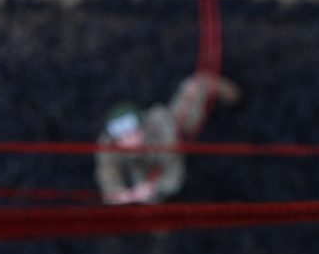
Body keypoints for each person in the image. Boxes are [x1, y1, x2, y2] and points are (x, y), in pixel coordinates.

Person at [95, 71, 242, 205]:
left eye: (132, 133)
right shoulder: (108, 142)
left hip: (176, 134)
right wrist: (115, 192)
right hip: (143, 164)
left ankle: (233, 95)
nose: (128, 140)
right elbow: (107, 171)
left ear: (142, 127)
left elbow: (174, 171)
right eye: (121, 137)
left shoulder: (162, 126)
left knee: (197, 87)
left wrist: (156, 188)